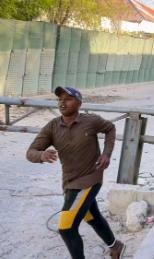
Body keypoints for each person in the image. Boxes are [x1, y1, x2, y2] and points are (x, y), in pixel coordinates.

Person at [26, 87, 125, 259]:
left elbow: (110, 128)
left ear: (79, 103)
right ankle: (115, 246)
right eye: (59, 100)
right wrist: (41, 155)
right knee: (91, 215)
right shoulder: (52, 126)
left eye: (68, 99)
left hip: (90, 178)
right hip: (70, 181)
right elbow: (30, 152)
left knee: (66, 227)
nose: (62, 103)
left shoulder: (91, 121)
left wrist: (106, 153)